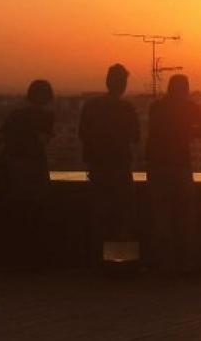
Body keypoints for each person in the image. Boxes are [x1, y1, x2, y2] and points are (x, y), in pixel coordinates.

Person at [145, 74, 201, 274]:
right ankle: (186, 265)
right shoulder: (188, 108)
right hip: (180, 168)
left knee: (161, 218)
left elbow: (151, 137)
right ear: (184, 90)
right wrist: (189, 134)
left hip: (158, 169)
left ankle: (164, 265)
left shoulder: (156, 108)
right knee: (185, 218)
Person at [79, 64, 140, 264]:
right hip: (120, 167)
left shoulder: (90, 106)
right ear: (123, 85)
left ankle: (95, 260)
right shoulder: (126, 108)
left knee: (99, 214)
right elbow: (135, 137)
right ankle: (119, 262)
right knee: (122, 216)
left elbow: (82, 134)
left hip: (97, 167)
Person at [0, 79, 55, 264]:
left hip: (14, 169)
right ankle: (34, 259)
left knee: (18, 214)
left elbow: (0, 138)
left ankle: (16, 258)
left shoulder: (16, 114)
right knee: (36, 214)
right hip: (34, 169)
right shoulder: (46, 116)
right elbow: (43, 141)